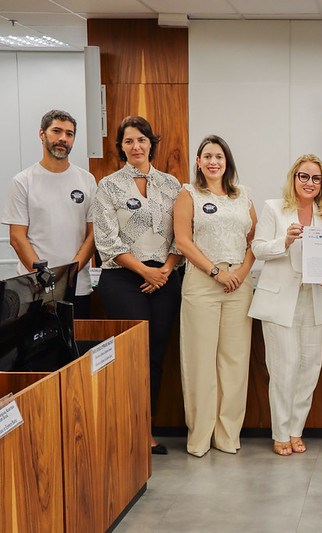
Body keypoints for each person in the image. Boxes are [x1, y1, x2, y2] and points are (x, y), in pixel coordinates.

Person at [91, 115, 182, 455]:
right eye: (128, 141)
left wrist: (164, 271)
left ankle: (146, 429)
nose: (136, 146)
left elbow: (182, 236)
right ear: (121, 147)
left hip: (165, 279)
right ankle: (126, 431)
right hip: (123, 279)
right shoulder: (109, 186)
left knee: (155, 356)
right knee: (132, 356)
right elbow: (106, 241)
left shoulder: (171, 185)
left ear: (151, 143)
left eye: (141, 139)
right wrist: (145, 271)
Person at [173, 135, 257, 457]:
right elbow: (183, 241)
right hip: (203, 283)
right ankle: (200, 437)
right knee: (200, 361)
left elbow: (255, 240)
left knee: (234, 361)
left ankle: (227, 435)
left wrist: (241, 273)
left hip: (238, 284)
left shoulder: (243, 195)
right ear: (198, 161)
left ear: (227, 162)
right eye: (207, 156)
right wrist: (215, 272)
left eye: (219, 156)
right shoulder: (189, 194)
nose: (213, 162)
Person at [249, 154, 322, 456]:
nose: (309, 183)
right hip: (279, 300)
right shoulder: (274, 208)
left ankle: (296, 430)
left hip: (314, 298)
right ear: (294, 178)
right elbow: (258, 248)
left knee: (310, 368)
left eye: (316, 178)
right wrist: (283, 241)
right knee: (284, 369)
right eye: (303, 176)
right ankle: (281, 432)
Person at [2, 109, 96, 318]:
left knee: (77, 340)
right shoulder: (23, 181)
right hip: (33, 290)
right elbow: (17, 238)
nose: (63, 138)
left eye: (69, 134)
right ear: (42, 134)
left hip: (77, 287)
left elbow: (93, 234)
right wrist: (43, 277)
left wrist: (70, 274)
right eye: (56, 131)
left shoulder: (87, 180)